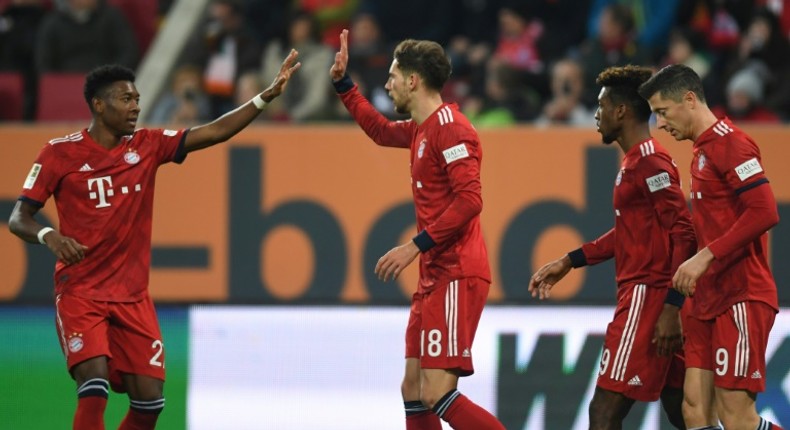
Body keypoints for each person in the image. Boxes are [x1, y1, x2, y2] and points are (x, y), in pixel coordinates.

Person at [7, 50, 300, 429]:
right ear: (99, 105)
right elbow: (19, 217)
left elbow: (212, 131)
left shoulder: (147, 144)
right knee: (93, 387)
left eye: (137, 100)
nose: (135, 107)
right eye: (125, 99)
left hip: (133, 297)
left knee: (150, 404)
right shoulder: (59, 153)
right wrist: (49, 236)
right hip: (81, 292)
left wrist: (266, 96)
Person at [329, 29, 505, 430]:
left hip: (456, 272)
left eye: (393, 76)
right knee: (412, 387)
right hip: (434, 277)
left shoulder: (453, 129)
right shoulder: (420, 130)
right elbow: (379, 131)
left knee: (437, 393)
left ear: (413, 80)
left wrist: (414, 246)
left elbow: (470, 200)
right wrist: (344, 84)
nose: (387, 84)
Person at [530, 65, 696, 430]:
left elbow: (684, 232)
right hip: (653, 298)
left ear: (621, 110)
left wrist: (671, 306)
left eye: (602, 105)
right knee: (683, 411)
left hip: (647, 298)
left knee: (604, 410)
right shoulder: (636, 161)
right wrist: (570, 260)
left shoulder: (650, 161)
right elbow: (628, 233)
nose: (596, 114)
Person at [638, 64, 782, 430]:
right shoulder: (701, 149)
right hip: (706, 300)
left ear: (689, 99)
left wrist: (705, 256)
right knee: (694, 411)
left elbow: (765, 211)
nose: (660, 125)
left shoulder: (731, 143)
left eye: (662, 112)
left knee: (738, 419)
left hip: (741, 295)